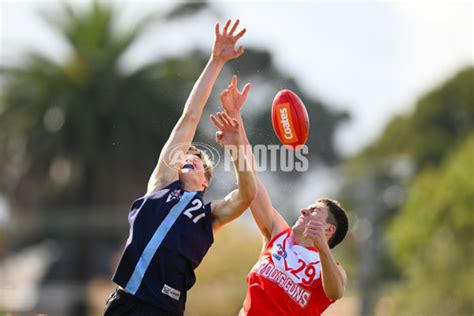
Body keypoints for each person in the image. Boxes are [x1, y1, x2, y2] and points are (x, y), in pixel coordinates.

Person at [104, 20, 257, 316]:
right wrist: (216, 61)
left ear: (204, 182)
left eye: (199, 158)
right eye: (187, 153)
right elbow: (190, 116)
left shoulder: (208, 215)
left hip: (164, 310)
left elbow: (247, 194)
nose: (191, 155)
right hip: (124, 303)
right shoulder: (162, 184)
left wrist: (237, 144)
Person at [214, 75, 349, 316]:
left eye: (315, 211)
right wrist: (235, 122)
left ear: (329, 230)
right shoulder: (278, 234)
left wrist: (322, 249)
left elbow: (335, 292)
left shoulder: (329, 268)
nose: (304, 210)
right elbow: (250, 183)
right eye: (308, 207)